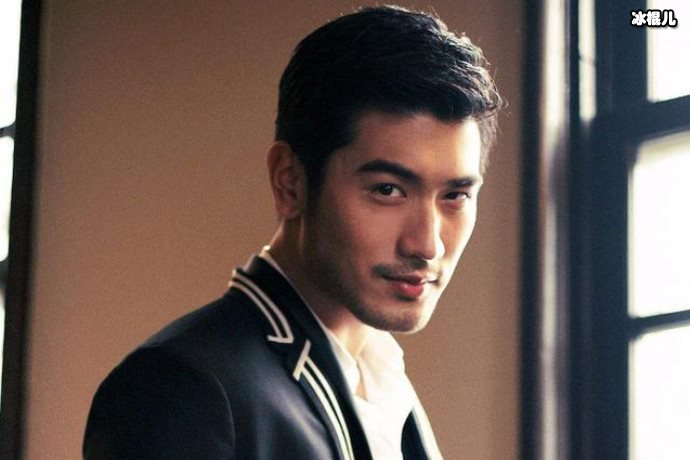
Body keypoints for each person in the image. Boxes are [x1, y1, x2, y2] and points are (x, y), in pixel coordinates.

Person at [83, 5, 502, 459]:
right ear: (290, 182)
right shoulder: (181, 390)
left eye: (455, 196)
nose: (427, 244)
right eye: (387, 190)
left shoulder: (383, 379)